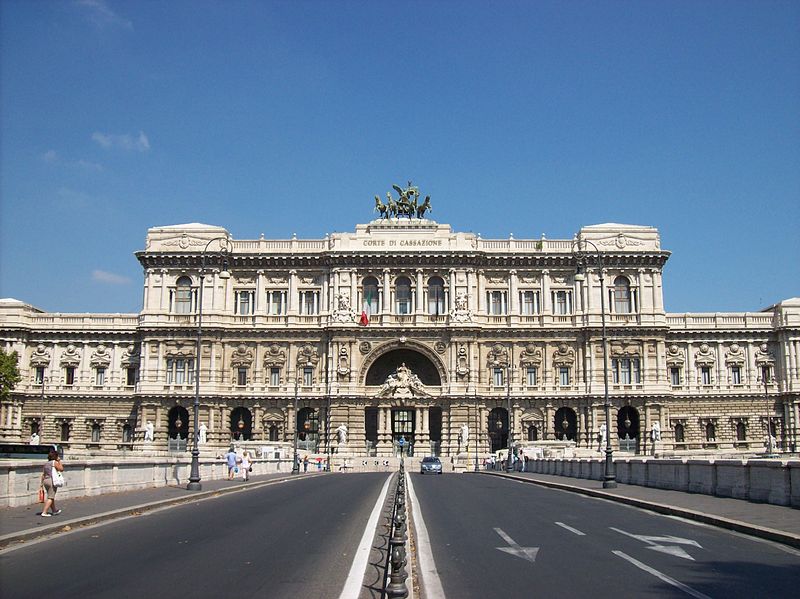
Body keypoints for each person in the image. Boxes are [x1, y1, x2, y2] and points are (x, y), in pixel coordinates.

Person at [40, 448, 64, 517]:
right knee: (50, 497)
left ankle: (54, 510)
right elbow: (61, 469)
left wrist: (41, 484)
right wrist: (59, 461)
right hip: (52, 480)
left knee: (51, 495)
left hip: (46, 481)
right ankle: (44, 512)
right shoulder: (54, 462)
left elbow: (43, 474)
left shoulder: (46, 463)